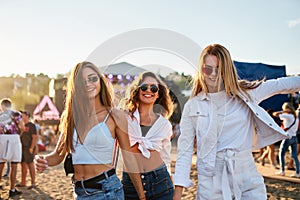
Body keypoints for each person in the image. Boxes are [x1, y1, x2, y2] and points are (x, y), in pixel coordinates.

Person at [173, 44, 300, 200]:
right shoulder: (193, 106)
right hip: (210, 182)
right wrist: (178, 193)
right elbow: (184, 151)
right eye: (207, 69)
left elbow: (282, 85)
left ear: (227, 69)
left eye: (219, 68)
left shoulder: (247, 93)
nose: (213, 74)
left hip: (247, 176)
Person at [34, 61, 145, 199]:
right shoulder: (71, 117)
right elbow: (58, 156)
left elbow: (129, 158)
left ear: (101, 81)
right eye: (82, 81)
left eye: (92, 78)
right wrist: (42, 160)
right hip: (79, 192)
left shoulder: (115, 116)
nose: (88, 83)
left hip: (107, 192)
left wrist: (141, 195)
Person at [119, 71, 174, 199]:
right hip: (130, 184)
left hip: (161, 182)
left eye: (153, 88)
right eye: (144, 87)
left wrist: (171, 182)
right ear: (137, 90)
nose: (148, 90)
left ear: (158, 94)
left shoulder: (164, 124)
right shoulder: (124, 118)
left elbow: (166, 157)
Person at [0, 98, 25, 197]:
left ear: (2, 106)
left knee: (1, 165)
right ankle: (12, 189)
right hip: (14, 137)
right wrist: (19, 134)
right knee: (14, 165)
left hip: (2, 137)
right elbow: (22, 127)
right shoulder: (16, 114)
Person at [274, 102, 300, 178]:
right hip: (295, 137)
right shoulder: (296, 117)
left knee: (281, 153)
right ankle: (298, 172)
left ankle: (282, 171)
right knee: (294, 155)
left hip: (287, 137)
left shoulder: (287, 116)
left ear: (286, 109)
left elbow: (275, 114)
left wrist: (283, 112)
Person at [17, 111, 37, 189]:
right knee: (23, 165)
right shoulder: (20, 125)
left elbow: (34, 137)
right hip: (21, 147)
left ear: (27, 116)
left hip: (28, 147)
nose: (21, 117)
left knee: (30, 164)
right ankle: (23, 182)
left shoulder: (31, 125)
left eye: (23, 116)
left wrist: (32, 148)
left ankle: (33, 182)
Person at [287, 102, 300, 170]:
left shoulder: (296, 112)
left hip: (296, 133)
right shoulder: (298, 112)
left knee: (296, 151)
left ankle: (290, 164)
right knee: (296, 151)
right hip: (297, 133)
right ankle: (290, 164)